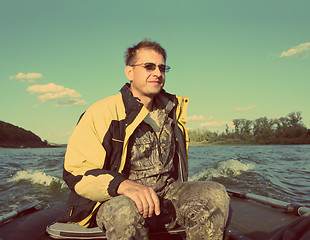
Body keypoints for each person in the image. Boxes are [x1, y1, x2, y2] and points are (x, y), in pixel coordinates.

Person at [62, 39, 230, 240]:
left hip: (167, 193)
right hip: (117, 198)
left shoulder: (172, 111)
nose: (157, 73)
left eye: (162, 67)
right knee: (124, 212)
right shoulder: (102, 112)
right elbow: (77, 171)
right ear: (129, 72)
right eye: (149, 66)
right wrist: (122, 186)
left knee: (215, 193)